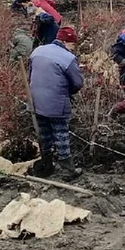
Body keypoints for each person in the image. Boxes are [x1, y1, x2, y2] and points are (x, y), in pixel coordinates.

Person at [28, 25, 84, 181]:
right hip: (57, 103)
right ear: (67, 42)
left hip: (36, 101)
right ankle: (68, 171)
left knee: (44, 134)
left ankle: (47, 165)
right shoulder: (68, 58)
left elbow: (30, 75)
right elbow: (78, 83)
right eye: (73, 45)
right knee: (61, 135)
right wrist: (68, 92)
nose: (73, 48)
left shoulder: (37, 51)